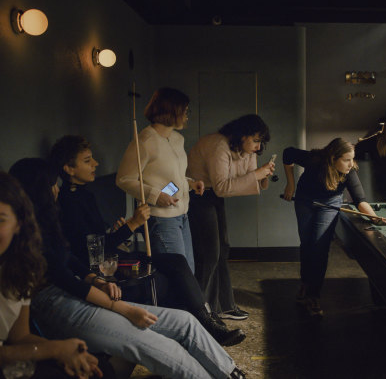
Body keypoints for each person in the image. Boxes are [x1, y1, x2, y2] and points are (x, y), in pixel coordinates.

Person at [9, 158, 246, 379]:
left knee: (185, 321)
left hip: (75, 291)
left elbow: (67, 258)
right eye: (52, 184)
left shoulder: (43, 221)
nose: (56, 189)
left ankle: (231, 373)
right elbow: (64, 278)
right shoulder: (23, 235)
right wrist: (123, 308)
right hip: (56, 304)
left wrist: (95, 279)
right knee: (158, 345)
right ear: (40, 191)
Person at [49, 135, 245, 346]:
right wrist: (131, 225)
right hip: (101, 267)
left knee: (177, 262)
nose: (95, 163)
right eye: (87, 161)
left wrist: (118, 230)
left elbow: (97, 239)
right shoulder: (69, 202)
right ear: (69, 169)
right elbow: (93, 251)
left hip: (112, 254)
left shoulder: (83, 194)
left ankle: (207, 321)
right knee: (173, 275)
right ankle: (204, 328)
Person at [0, 172, 105, 379]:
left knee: (96, 369)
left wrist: (67, 351)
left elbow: (18, 336)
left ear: (19, 223)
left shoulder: (21, 267)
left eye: (0, 220)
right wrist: (55, 350)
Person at [283, 138, 386, 317]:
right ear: (333, 158)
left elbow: (360, 200)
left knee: (319, 246)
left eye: (353, 159)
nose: (351, 164)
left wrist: (375, 218)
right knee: (307, 243)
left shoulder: (349, 172)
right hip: (305, 200)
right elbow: (288, 153)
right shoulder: (315, 159)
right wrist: (290, 183)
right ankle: (305, 283)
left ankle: (313, 295)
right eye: (346, 160)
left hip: (330, 203)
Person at [187, 114, 274, 320]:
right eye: (255, 140)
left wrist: (263, 176)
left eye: (261, 141)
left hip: (213, 195)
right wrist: (257, 175)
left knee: (222, 249)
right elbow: (223, 187)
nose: (258, 146)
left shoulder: (245, 148)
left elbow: (249, 176)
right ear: (241, 135)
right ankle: (202, 311)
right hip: (198, 194)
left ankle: (224, 306)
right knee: (209, 254)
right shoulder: (219, 145)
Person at [117, 87, 204, 275]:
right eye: (185, 110)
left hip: (182, 214)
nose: (187, 115)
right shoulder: (145, 141)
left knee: (188, 271)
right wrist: (156, 196)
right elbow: (124, 179)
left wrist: (190, 183)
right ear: (172, 110)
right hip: (161, 219)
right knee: (178, 277)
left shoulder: (177, 139)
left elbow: (174, 175)